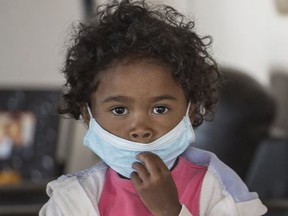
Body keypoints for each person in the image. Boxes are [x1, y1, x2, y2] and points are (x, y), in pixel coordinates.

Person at [40, 0, 267, 215]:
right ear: (88, 115)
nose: (140, 128)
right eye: (119, 110)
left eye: (160, 109)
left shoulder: (218, 186)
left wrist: (170, 211)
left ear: (191, 110)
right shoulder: (72, 200)